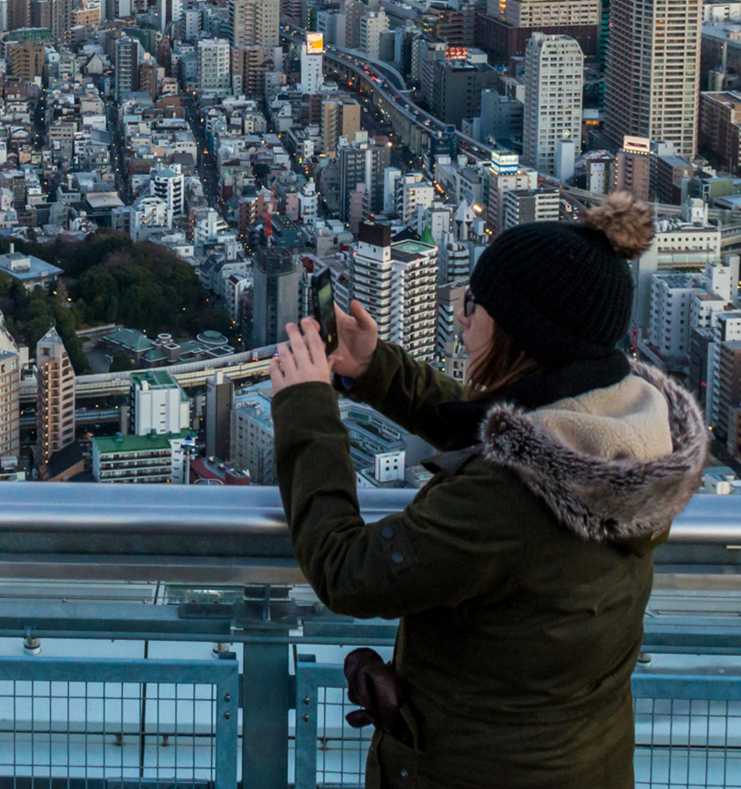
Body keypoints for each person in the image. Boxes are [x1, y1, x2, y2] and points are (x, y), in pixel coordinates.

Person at [267, 198, 700, 788]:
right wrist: (373, 369)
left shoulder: (511, 499)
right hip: (583, 760)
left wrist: (306, 406)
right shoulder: (626, 436)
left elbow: (348, 570)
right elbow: (504, 426)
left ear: (521, 334)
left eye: (474, 305)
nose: (461, 317)